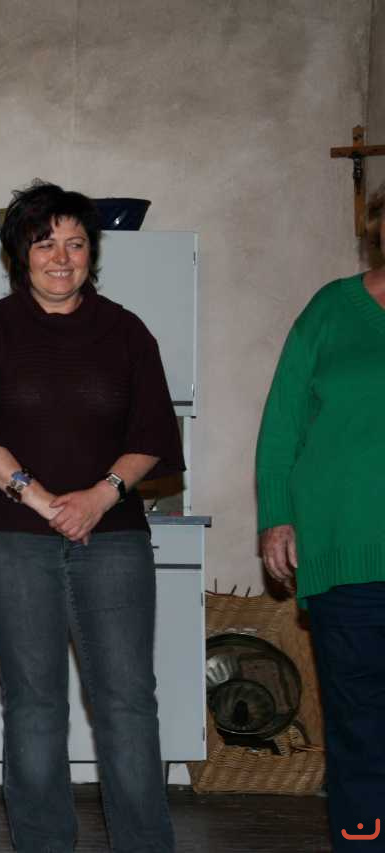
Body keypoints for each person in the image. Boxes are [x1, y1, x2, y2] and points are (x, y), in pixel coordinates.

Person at [0, 182, 182, 852]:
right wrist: (46, 500)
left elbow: (153, 433)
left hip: (114, 536)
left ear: (92, 253)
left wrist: (99, 496)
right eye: (45, 243)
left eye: (75, 243)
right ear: (20, 253)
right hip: (9, 537)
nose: (61, 257)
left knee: (129, 702)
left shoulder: (127, 332)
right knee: (35, 702)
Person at [256, 180, 385, 851]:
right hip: (344, 552)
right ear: (378, 227)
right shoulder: (331, 309)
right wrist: (277, 516)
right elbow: (281, 425)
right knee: (359, 724)